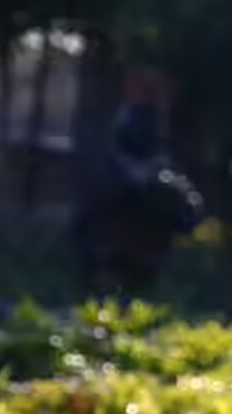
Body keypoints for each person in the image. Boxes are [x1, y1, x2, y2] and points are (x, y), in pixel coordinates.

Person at [72, 100, 202, 292]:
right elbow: (82, 225)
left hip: (148, 265)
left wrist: (157, 194)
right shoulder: (105, 174)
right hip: (107, 264)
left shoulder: (164, 180)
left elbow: (188, 219)